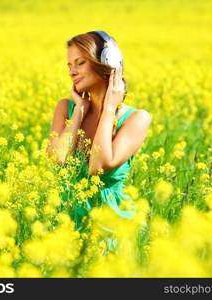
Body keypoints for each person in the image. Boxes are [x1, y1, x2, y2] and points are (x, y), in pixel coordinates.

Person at [47, 31, 151, 234]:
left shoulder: (136, 119)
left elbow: (97, 166)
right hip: (65, 228)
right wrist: (79, 110)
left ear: (107, 63)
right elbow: (58, 157)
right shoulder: (66, 108)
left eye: (80, 63)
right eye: (69, 65)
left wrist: (110, 108)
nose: (72, 72)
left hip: (112, 229)